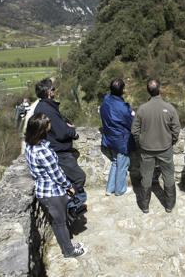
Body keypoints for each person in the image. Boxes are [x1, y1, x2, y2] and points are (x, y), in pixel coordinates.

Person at [24, 113, 87, 258]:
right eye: (48, 122)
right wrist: (68, 186)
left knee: (59, 221)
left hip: (44, 190)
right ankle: (68, 251)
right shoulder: (43, 151)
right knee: (60, 223)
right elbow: (56, 173)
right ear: (42, 129)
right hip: (52, 192)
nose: (50, 123)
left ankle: (68, 245)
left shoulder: (30, 145)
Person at [131, 79, 181, 214]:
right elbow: (176, 129)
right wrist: (171, 142)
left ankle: (145, 206)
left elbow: (134, 130)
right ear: (160, 89)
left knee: (146, 176)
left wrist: (140, 142)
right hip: (165, 148)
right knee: (168, 175)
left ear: (148, 91)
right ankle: (169, 205)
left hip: (146, 149)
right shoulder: (169, 108)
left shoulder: (142, 109)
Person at [33, 78, 86, 193]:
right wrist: (74, 133)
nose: (55, 90)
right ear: (48, 92)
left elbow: (56, 125)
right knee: (79, 177)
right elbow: (61, 133)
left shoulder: (42, 107)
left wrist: (63, 123)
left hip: (54, 148)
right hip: (59, 151)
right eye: (53, 89)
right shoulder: (48, 109)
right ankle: (73, 203)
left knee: (68, 178)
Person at [100, 78, 135, 196]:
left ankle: (110, 189)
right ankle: (120, 190)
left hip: (109, 137)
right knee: (123, 165)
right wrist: (132, 114)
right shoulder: (123, 107)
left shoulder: (105, 101)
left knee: (115, 162)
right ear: (122, 91)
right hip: (121, 140)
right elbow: (131, 124)